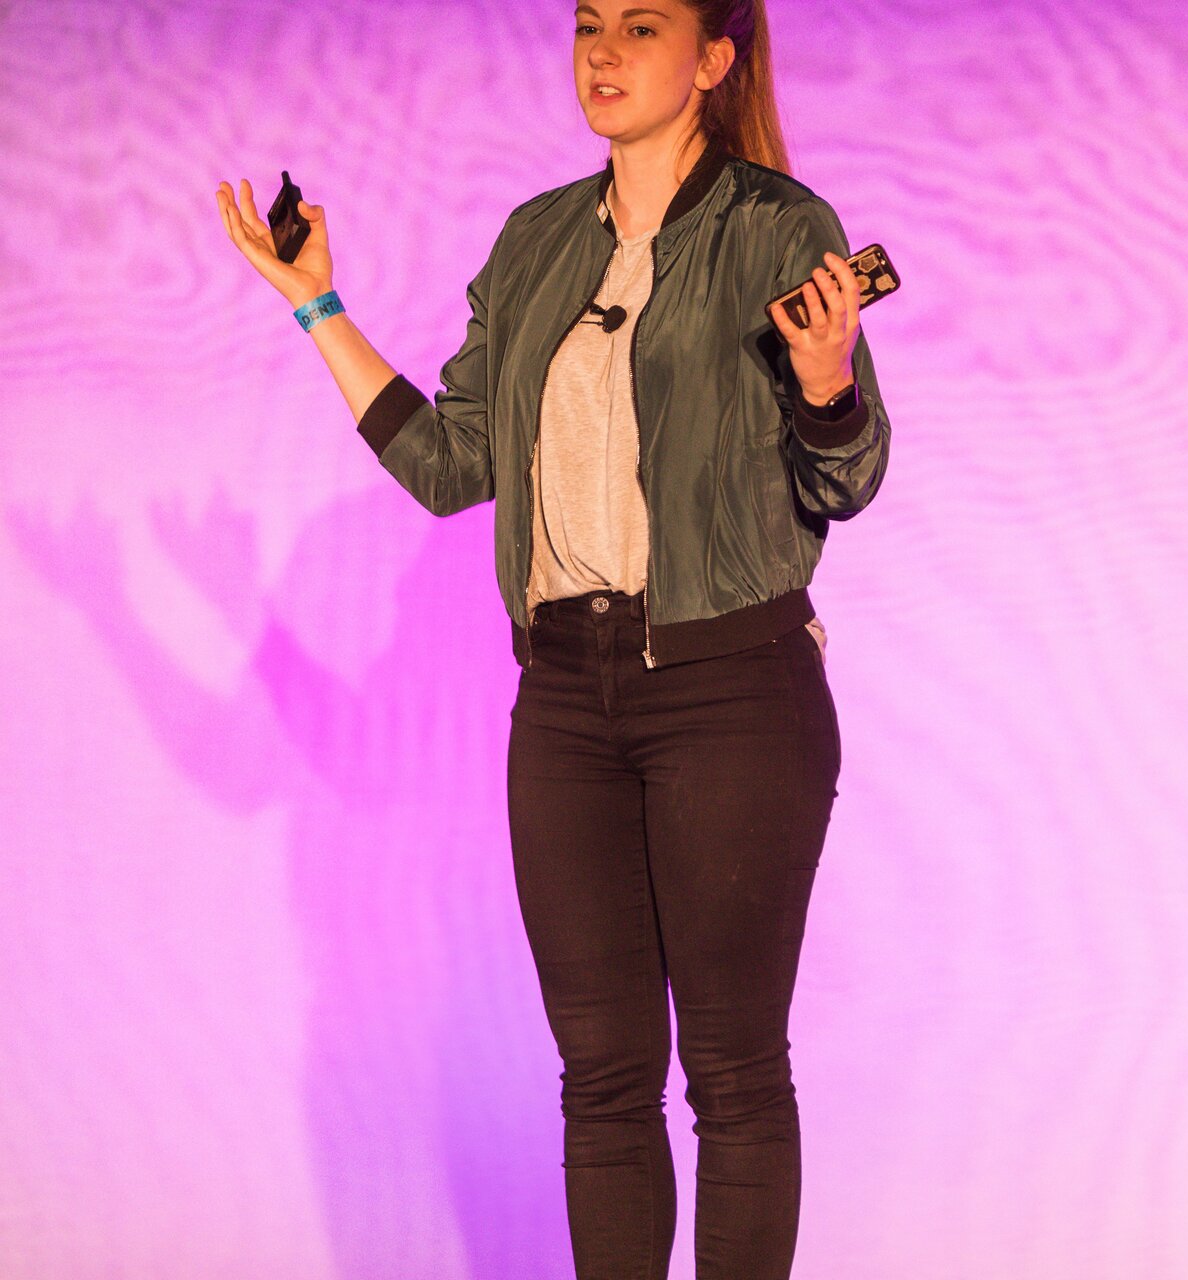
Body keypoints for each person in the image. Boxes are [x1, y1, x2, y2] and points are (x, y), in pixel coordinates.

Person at [214, 0, 891, 1275]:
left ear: (712, 61)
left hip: (732, 692)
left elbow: (846, 480)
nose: (602, 52)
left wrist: (825, 384)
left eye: (640, 27)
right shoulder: (536, 242)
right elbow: (446, 462)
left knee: (735, 1074)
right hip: (569, 702)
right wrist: (318, 306)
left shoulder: (776, 228)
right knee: (603, 1081)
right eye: (587, 25)